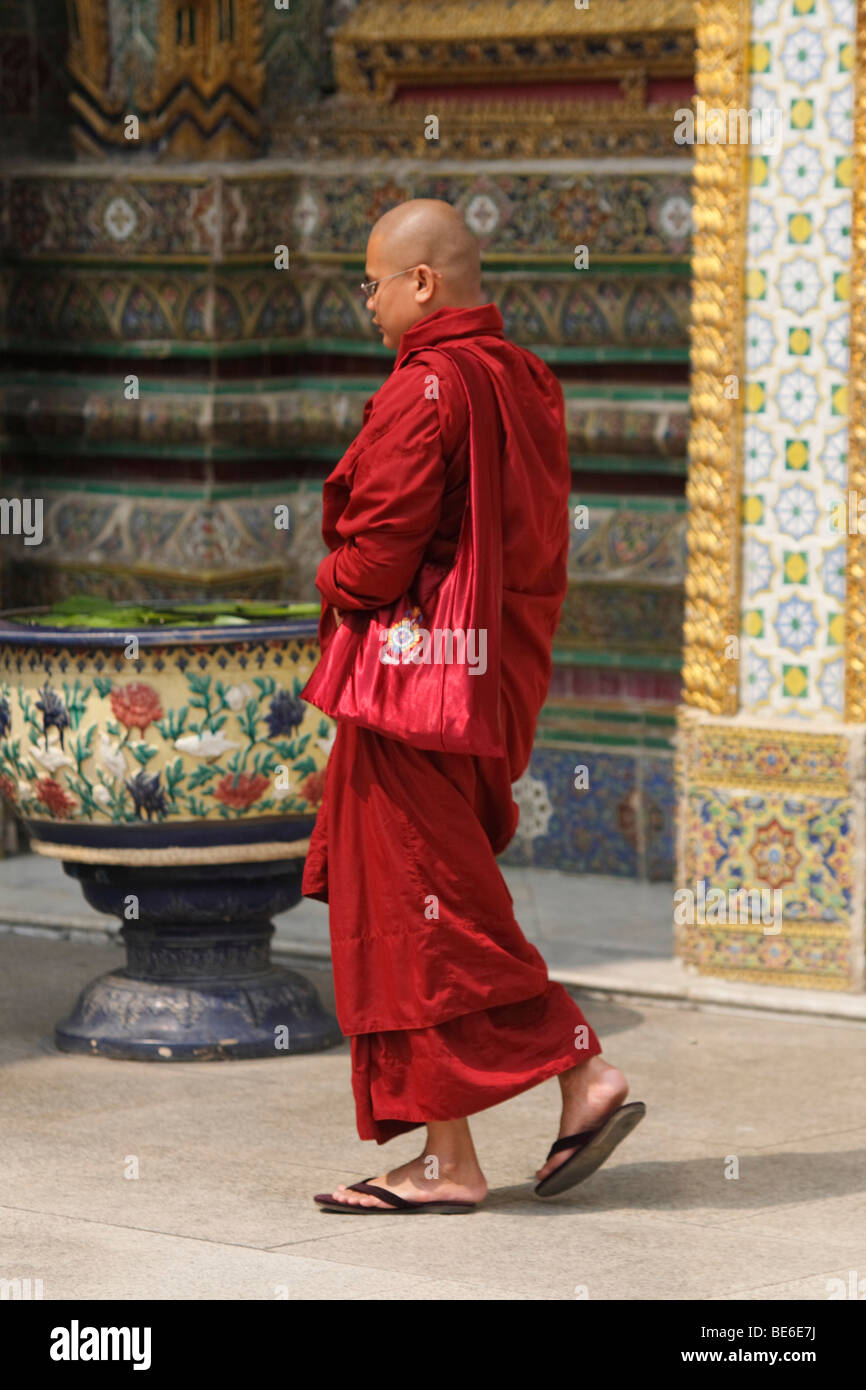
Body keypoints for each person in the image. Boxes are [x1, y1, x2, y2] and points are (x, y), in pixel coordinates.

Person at [301, 199, 644, 1212]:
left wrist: (330, 577)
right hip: (472, 682)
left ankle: (580, 1064)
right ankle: (446, 1161)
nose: (365, 302)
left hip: (407, 691)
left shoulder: (423, 391)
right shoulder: (522, 379)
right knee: (413, 912)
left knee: (439, 910)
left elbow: (375, 560)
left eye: (371, 282)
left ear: (421, 283)